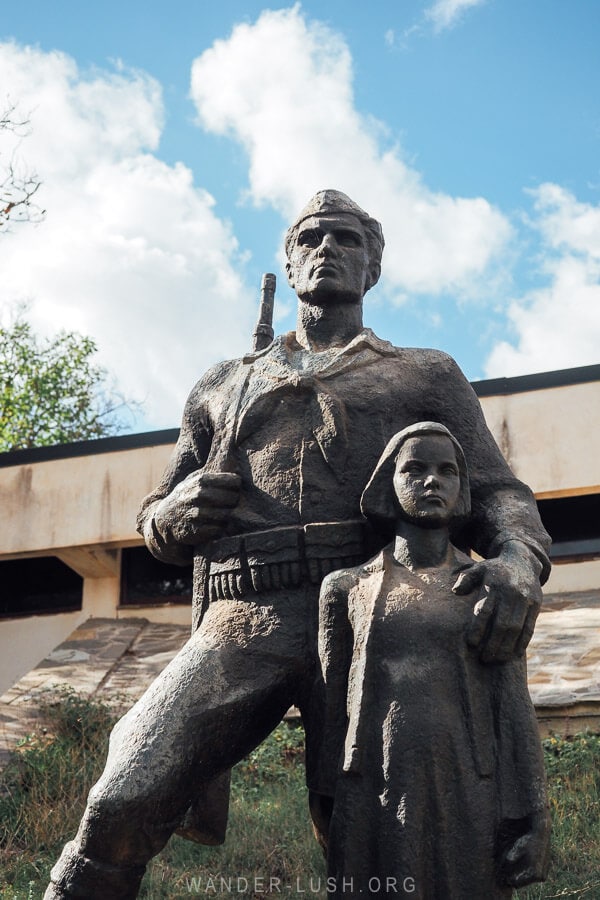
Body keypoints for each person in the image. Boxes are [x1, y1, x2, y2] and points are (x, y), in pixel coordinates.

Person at [45, 191, 550, 899]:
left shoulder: (423, 374)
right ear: (289, 259)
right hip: (245, 617)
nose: (328, 248)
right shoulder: (225, 383)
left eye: (346, 238)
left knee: (368, 836)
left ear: (372, 266)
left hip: (371, 614)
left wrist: (519, 562)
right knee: (125, 793)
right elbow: (156, 517)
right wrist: (177, 513)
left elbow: (498, 491)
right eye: (311, 237)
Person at [318, 422, 551, 899]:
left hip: (467, 787)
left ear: (462, 488)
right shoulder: (344, 589)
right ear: (389, 481)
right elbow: (330, 708)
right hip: (372, 788)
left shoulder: (489, 588)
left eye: (448, 471)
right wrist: (324, 798)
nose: (432, 481)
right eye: (415, 468)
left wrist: (534, 814)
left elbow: (512, 707)